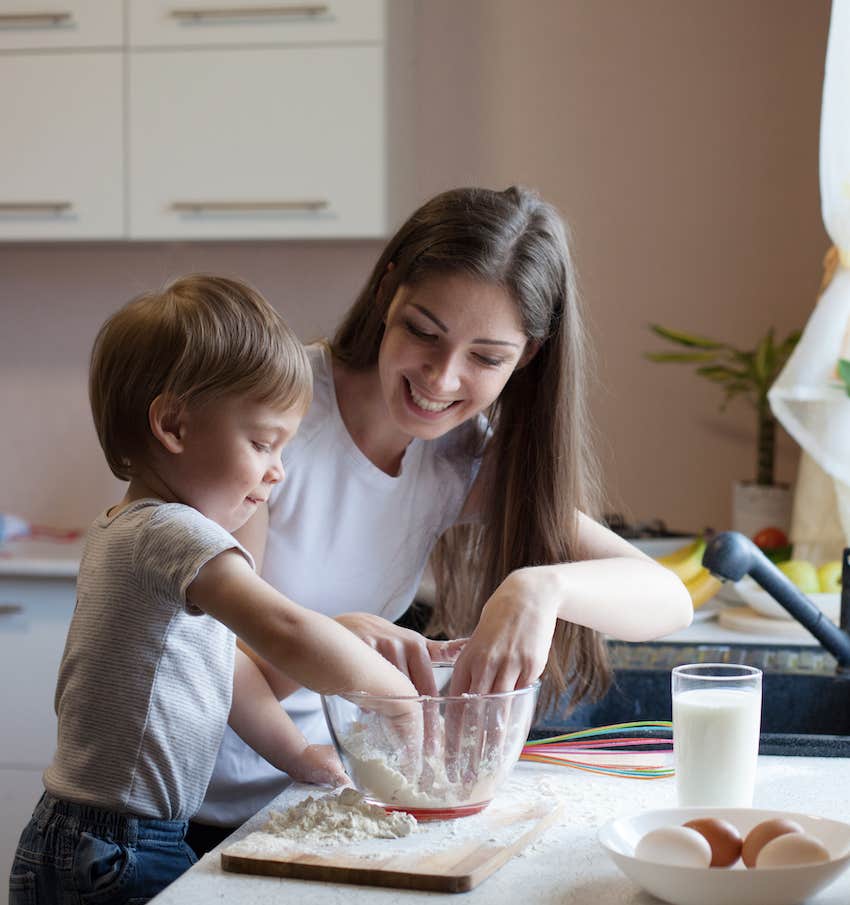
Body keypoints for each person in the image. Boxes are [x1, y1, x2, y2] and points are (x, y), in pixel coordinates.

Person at [188, 186, 693, 853]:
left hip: (309, 799)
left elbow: (668, 598)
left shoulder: (459, 458)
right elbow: (212, 654)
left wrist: (541, 588)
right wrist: (342, 650)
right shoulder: (276, 417)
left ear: (529, 355)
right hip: (196, 806)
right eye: (424, 332)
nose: (442, 377)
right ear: (386, 294)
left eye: (486, 357)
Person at [8, 275, 419, 905]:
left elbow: (228, 674)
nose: (277, 470)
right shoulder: (173, 534)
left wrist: (299, 757)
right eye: (261, 442)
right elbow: (284, 631)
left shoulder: (131, 530)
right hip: (116, 847)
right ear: (173, 424)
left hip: (103, 839)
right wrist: (397, 695)